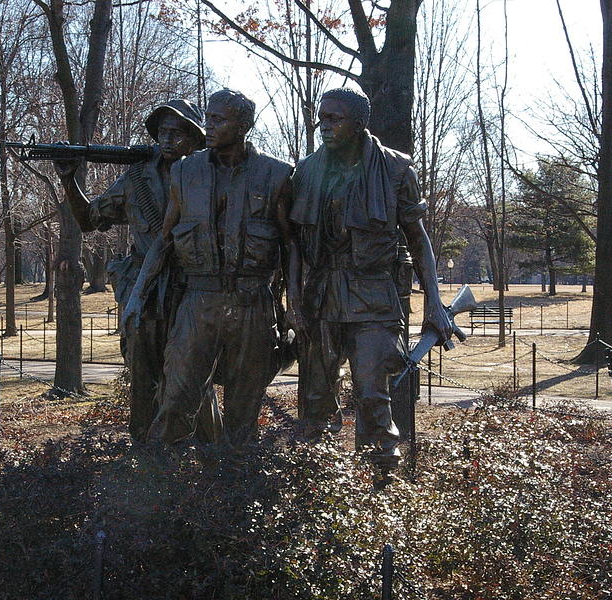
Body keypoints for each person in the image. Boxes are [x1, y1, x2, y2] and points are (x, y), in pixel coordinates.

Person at [128, 89, 301, 448]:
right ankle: (160, 485)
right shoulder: (184, 172)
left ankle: (234, 487)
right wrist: (136, 297)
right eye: (208, 117)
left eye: (218, 119)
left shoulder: (277, 175)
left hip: (253, 302)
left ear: (243, 125)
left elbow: (290, 247)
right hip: (199, 301)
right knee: (176, 398)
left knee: (244, 407)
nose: (208, 125)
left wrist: (293, 306)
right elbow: (163, 241)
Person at [289, 87, 452, 460]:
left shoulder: (396, 169)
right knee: (315, 394)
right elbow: (294, 243)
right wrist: (293, 301)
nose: (324, 126)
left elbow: (418, 238)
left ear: (359, 123)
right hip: (321, 293)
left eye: (334, 118)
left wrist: (435, 303)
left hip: (374, 294)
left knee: (372, 392)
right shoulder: (308, 170)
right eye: (321, 118)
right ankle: (318, 475)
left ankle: (378, 476)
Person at [56, 99, 222, 444]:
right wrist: (69, 179)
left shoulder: (211, 176)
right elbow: (89, 219)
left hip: (195, 288)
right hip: (146, 293)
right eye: (162, 131)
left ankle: (210, 448)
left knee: (193, 374)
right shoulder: (137, 178)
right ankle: (145, 450)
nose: (167, 139)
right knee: (143, 372)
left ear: (195, 138)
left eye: (177, 132)